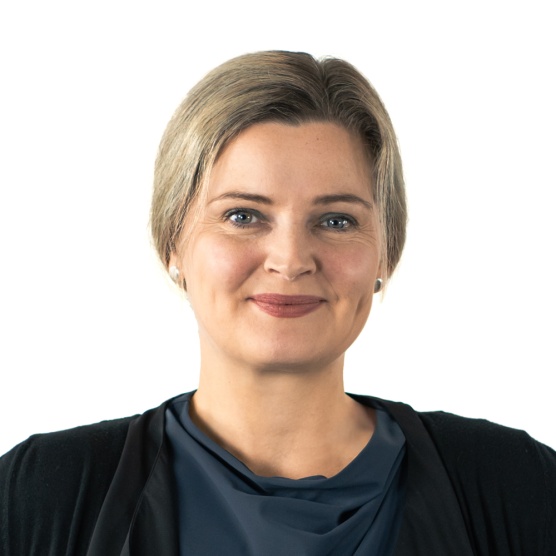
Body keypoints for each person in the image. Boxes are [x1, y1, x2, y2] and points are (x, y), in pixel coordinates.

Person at [1, 51, 554, 556]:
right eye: (243, 216)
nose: (290, 260)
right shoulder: (41, 493)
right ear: (173, 243)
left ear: (387, 252)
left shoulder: (517, 484)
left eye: (336, 220)